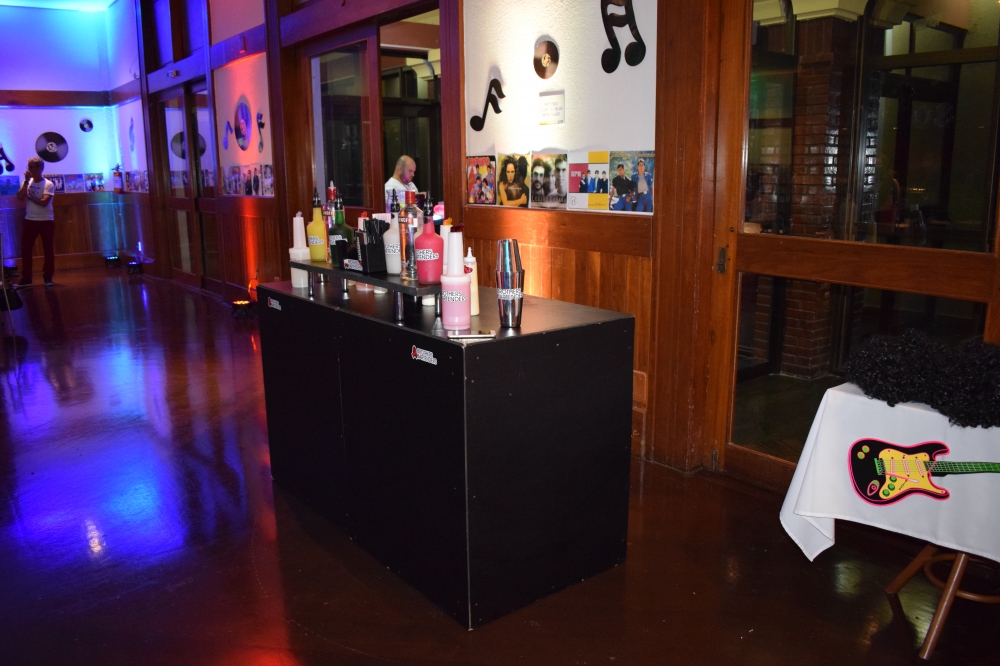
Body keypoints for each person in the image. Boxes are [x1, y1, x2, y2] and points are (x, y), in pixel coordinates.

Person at [16, 157, 56, 287]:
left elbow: (44, 202)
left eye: (31, 167)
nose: (28, 170)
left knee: (48, 249)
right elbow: (19, 196)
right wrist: (26, 182)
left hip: (46, 220)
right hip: (30, 219)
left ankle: (48, 277)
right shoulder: (27, 182)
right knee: (26, 249)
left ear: (39, 168)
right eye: (28, 167)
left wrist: (29, 196)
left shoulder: (48, 184)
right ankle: (26, 277)